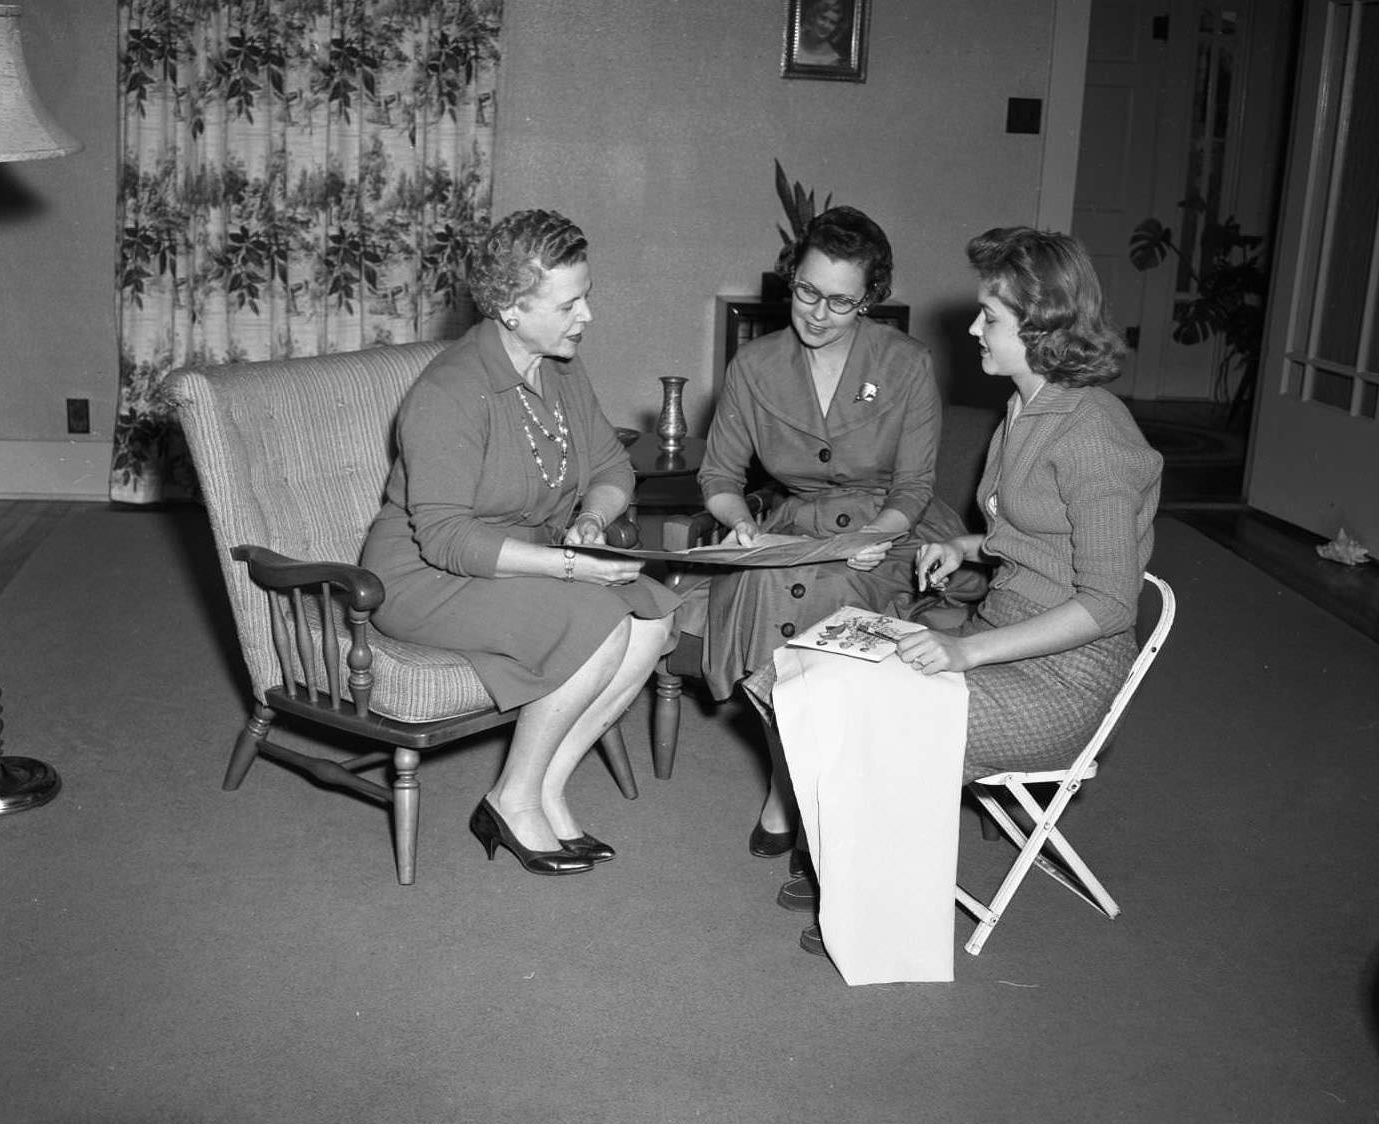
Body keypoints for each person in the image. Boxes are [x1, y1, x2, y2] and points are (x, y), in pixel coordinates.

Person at [768, 226, 1163, 982]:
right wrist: (972, 547)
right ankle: (842, 857)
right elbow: (1037, 532)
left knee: (876, 709)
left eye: (992, 317)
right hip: (1003, 630)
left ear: (1042, 330)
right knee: (819, 658)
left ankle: (869, 890)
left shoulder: (1096, 438)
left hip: (1062, 680)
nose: (974, 327)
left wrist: (965, 651)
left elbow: (1111, 603)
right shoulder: (1028, 407)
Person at [360, 209, 678, 877]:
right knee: (597, 621)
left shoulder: (560, 369)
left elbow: (613, 469)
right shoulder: (450, 392)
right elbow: (447, 539)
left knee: (655, 620)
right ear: (509, 307)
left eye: (585, 294)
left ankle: (541, 789)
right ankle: (511, 798)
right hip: (424, 575)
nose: (586, 314)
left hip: (517, 558)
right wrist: (571, 568)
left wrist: (592, 518)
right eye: (569, 302)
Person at [693, 205, 977, 862]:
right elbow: (720, 476)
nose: (818, 313)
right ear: (790, 280)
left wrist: (877, 533)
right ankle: (788, 786)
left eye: (841, 302)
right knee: (766, 598)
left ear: (870, 300)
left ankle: (819, 794)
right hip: (794, 524)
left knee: (839, 599)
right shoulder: (754, 368)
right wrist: (740, 526)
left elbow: (913, 485)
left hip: (893, 526)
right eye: (806, 293)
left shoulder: (905, 363)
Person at [794, 0, 849, 67]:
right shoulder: (795, 37)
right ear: (813, 17)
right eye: (823, 18)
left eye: (832, 23)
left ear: (836, 28)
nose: (826, 25)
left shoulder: (833, 59)